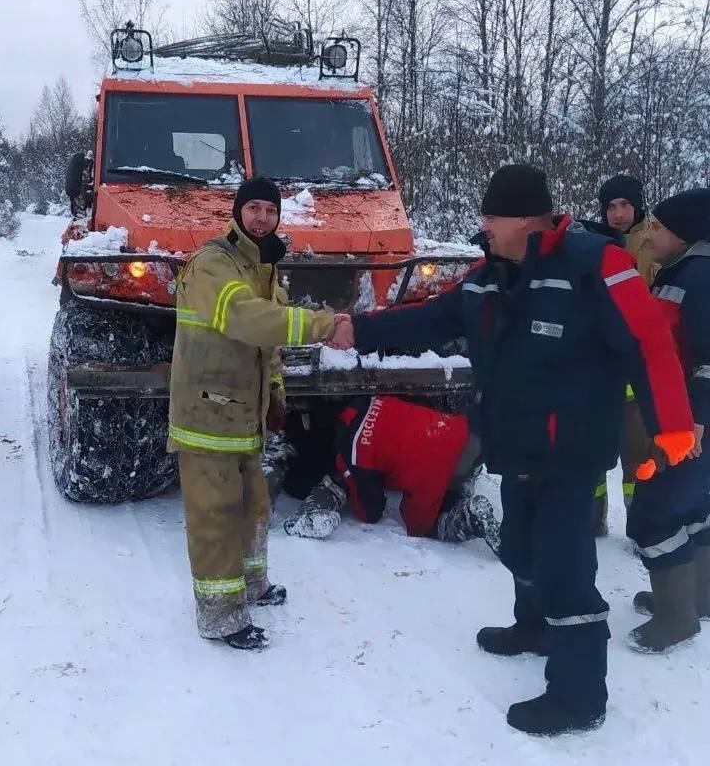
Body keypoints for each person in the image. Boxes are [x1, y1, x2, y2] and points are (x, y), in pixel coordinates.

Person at [328, 164, 694, 736]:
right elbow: (430, 320)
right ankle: (535, 628)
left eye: (491, 217)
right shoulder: (487, 278)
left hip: (570, 453)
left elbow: (649, 344)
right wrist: (359, 328)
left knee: (565, 571)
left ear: (524, 219)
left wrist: (672, 427)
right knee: (520, 548)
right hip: (514, 447)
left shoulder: (596, 265)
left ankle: (578, 697)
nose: (484, 227)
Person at [168, 176, 340, 651]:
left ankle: (250, 587)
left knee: (252, 505)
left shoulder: (263, 266)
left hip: (243, 414)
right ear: (237, 212)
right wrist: (323, 326)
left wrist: (277, 390)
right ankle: (221, 616)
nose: (263, 218)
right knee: (215, 515)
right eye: (254, 208)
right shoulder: (213, 263)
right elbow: (248, 319)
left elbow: (267, 347)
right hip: (206, 415)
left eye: (270, 210)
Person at [626, 189, 710, 653]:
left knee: (654, 513)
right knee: (693, 507)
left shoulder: (699, 278)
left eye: (657, 227)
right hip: (687, 416)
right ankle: (696, 598)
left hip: (690, 420)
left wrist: (695, 420)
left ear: (686, 233)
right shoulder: (681, 272)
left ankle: (676, 619)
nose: (648, 235)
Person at [282, 395, 500, 553]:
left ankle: (318, 496)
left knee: (344, 470)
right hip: (357, 447)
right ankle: (468, 518)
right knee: (351, 490)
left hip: (364, 406)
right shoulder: (434, 477)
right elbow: (412, 523)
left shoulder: (450, 422)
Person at [593, 174, 657, 535]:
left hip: (638, 370)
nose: (617, 214)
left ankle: (641, 526)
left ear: (638, 206)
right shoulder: (596, 244)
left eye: (625, 205)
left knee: (639, 460)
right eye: (611, 207)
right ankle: (591, 521)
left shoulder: (654, 244)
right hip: (601, 370)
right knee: (592, 453)